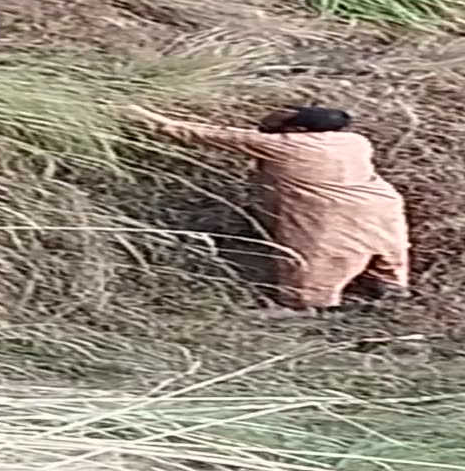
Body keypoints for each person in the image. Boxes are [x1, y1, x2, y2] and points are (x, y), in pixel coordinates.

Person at [128, 105, 410, 314]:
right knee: (385, 255)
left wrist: (136, 113)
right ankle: (392, 300)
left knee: (317, 262)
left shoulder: (282, 145)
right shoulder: (356, 141)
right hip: (382, 206)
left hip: (330, 214)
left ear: (299, 130)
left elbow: (196, 133)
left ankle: (311, 312)